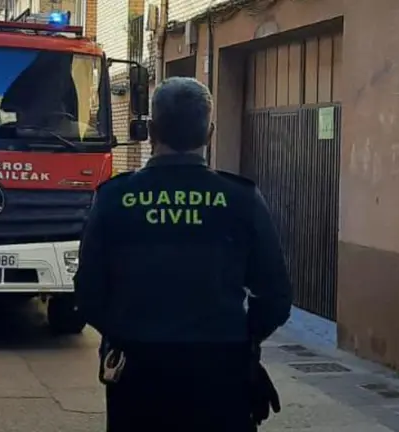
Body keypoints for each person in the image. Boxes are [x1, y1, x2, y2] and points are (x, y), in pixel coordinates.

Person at [74, 77, 293, 431]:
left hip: (137, 373)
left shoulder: (114, 198)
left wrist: (125, 333)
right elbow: (277, 297)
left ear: (150, 130)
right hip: (222, 372)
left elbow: (87, 294)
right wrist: (242, 340)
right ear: (209, 133)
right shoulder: (241, 199)